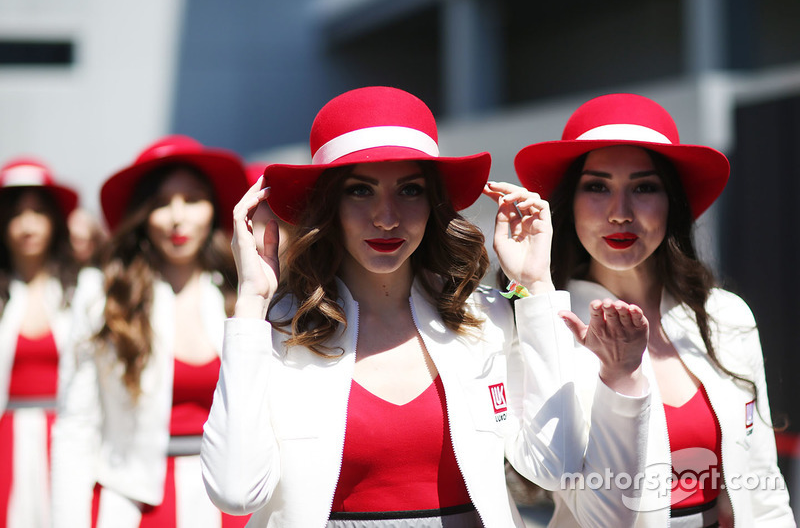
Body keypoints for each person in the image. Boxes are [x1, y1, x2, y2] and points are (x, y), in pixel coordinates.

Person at [201, 86, 652, 527]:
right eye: (360, 191)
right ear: (330, 205)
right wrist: (252, 302)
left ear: (432, 202)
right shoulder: (278, 329)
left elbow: (554, 465)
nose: (387, 217)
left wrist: (535, 284)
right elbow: (236, 493)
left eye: (410, 190)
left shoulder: (487, 317)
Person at [514, 92, 796, 527]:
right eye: (597, 186)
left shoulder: (726, 316)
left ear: (673, 203)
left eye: (644, 187)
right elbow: (554, 473)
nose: (620, 213)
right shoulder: (542, 326)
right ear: (567, 203)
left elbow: (763, 489)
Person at [51, 135, 250, 527]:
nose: (178, 216)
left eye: (193, 199)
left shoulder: (241, 293)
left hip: (231, 505)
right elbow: (76, 426)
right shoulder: (104, 296)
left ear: (213, 209)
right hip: (134, 504)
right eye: (161, 203)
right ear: (142, 214)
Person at [0, 156, 80, 528]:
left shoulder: (81, 289)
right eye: (17, 214)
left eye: (38, 211)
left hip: (68, 438)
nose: (28, 224)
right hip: (6, 444)